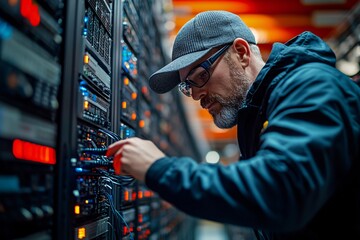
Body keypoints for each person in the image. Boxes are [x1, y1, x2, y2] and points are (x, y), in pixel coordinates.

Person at [106, 10, 360, 239]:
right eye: (188, 86)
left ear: (241, 52)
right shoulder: (257, 114)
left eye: (200, 76)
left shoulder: (310, 85)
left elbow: (280, 193)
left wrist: (158, 169)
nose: (195, 95)